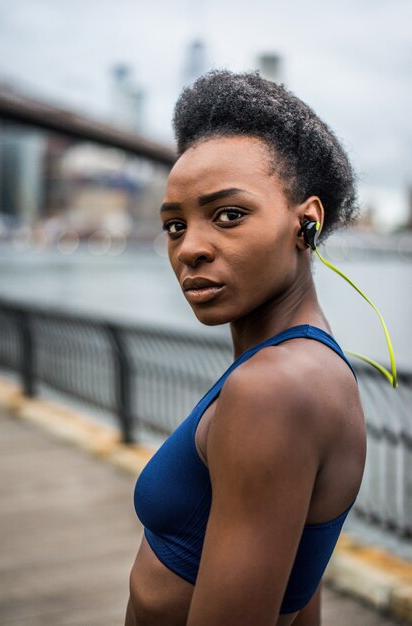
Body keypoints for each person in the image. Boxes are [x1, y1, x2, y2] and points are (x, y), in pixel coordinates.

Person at [125, 69, 367, 626]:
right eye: (174, 226)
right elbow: (300, 591)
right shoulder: (308, 368)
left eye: (228, 215)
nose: (191, 249)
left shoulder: (274, 388)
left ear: (306, 223)